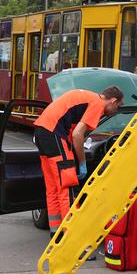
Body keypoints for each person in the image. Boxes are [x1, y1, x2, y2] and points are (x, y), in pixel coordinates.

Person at [33, 86, 124, 236]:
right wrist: (82, 162)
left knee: (54, 187)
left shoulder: (88, 97)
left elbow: (72, 131)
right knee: (67, 186)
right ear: (113, 101)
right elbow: (77, 135)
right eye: (118, 106)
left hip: (42, 132)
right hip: (54, 132)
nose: (115, 110)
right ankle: (71, 237)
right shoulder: (97, 103)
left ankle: (56, 234)